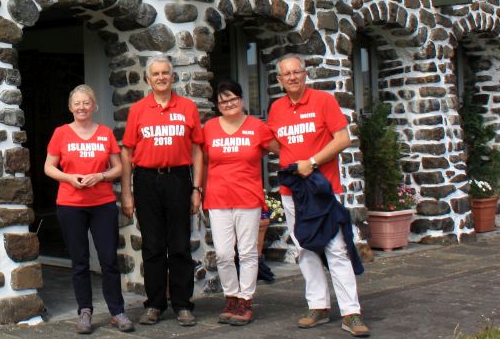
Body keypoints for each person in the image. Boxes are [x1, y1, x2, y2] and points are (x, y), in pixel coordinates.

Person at [267, 54, 371, 337]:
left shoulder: (323, 100)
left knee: (336, 249)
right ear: (279, 80)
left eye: (296, 72)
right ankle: (318, 306)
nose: (292, 77)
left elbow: (343, 138)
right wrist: (291, 159)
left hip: (324, 188)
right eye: (286, 74)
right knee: (304, 248)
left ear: (305, 74)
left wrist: (311, 162)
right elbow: (276, 143)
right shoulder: (276, 108)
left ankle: (351, 313)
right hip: (293, 192)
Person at [120, 55, 204, 327]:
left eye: (165, 72)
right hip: (146, 180)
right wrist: (127, 192)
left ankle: (183, 304)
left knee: (180, 245)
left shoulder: (188, 107)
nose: (161, 77)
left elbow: (197, 150)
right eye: (155, 74)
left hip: (178, 178)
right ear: (148, 79)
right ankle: (155, 304)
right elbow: (127, 152)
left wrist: (196, 188)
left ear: (172, 76)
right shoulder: (138, 110)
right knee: (153, 245)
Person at [44, 85, 135, 334]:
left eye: (86, 103)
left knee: (109, 260)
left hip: (102, 204)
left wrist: (101, 176)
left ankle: (117, 311)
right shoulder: (61, 133)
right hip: (70, 204)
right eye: (77, 103)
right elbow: (49, 167)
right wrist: (68, 177)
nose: (82, 107)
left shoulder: (105, 133)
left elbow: (119, 167)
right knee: (80, 262)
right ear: (70, 107)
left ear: (94, 106)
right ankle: (85, 311)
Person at [200, 80, 277, 326]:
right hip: (218, 198)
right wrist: (199, 190)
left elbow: (277, 148)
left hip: (247, 197)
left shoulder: (257, 127)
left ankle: (245, 300)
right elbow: (203, 160)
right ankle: (231, 297)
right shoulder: (209, 128)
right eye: (222, 101)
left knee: (247, 252)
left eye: (232, 99)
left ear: (241, 100)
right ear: (217, 105)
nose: (228, 104)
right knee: (223, 253)